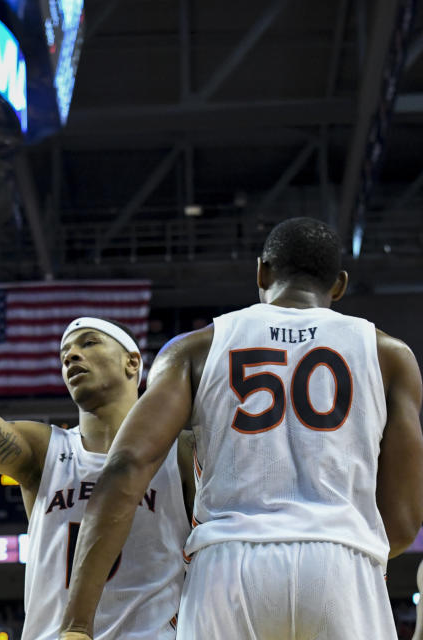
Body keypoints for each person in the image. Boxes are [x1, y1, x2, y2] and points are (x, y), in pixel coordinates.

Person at [60, 217, 423, 640]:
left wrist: (77, 625)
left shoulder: (195, 348)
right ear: (339, 285)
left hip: (228, 567)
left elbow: (125, 467)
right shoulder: (390, 356)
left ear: (262, 272)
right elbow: (402, 523)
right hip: (342, 562)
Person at [0, 194, 194, 639]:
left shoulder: (180, 450)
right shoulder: (45, 449)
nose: (71, 356)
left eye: (88, 343)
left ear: (133, 362)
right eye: (65, 352)